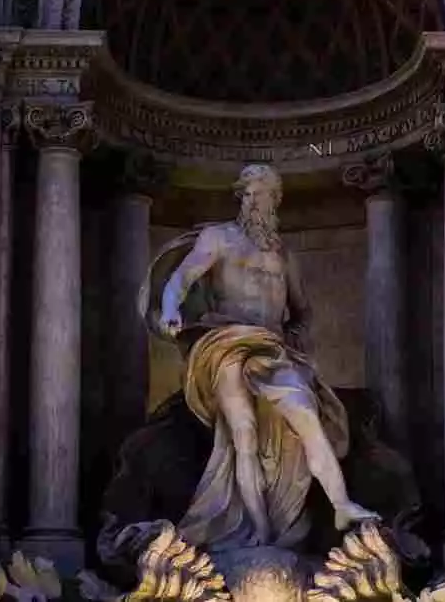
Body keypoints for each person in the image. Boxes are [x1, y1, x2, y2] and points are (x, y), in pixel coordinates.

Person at [139, 164, 378, 550]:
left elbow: (301, 310)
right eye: (246, 194)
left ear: (275, 200)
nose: (250, 201)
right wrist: (170, 309)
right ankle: (260, 532)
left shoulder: (284, 254)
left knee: (305, 412)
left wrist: (299, 337)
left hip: (272, 346)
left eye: (258, 194)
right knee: (243, 434)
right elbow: (180, 280)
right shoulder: (219, 237)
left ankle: (341, 502)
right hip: (225, 339)